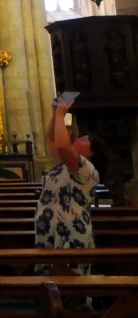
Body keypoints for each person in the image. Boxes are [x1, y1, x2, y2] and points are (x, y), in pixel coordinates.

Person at [34, 94, 107, 274]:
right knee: (50, 291)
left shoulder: (86, 169)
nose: (78, 138)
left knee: (72, 289)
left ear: (91, 153)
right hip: (50, 232)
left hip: (71, 235)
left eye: (84, 139)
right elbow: (52, 141)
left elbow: (61, 146)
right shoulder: (69, 165)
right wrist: (54, 113)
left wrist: (61, 115)